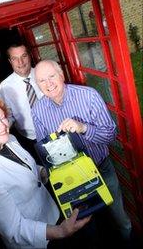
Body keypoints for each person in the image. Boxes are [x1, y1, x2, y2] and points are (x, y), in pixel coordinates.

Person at [0, 94, 90, 249]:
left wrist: (46, 171)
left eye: (3, 118)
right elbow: (15, 229)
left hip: (52, 211)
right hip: (37, 239)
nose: (2, 126)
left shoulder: (9, 139)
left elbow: (27, 167)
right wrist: (60, 231)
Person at [31, 59, 132, 246]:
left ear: (61, 75)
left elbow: (111, 135)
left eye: (51, 76)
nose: (49, 84)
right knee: (85, 225)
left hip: (101, 167)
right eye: (42, 81)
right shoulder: (37, 110)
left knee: (120, 218)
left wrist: (83, 127)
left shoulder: (89, 96)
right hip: (72, 179)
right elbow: (45, 150)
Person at [0, 43, 42, 163]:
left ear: (29, 56)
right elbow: (8, 116)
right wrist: (4, 126)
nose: (20, 62)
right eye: (15, 58)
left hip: (56, 129)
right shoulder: (4, 87)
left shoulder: (42, 73)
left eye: (23, 56)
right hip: (29, 139)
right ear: (10, 61)